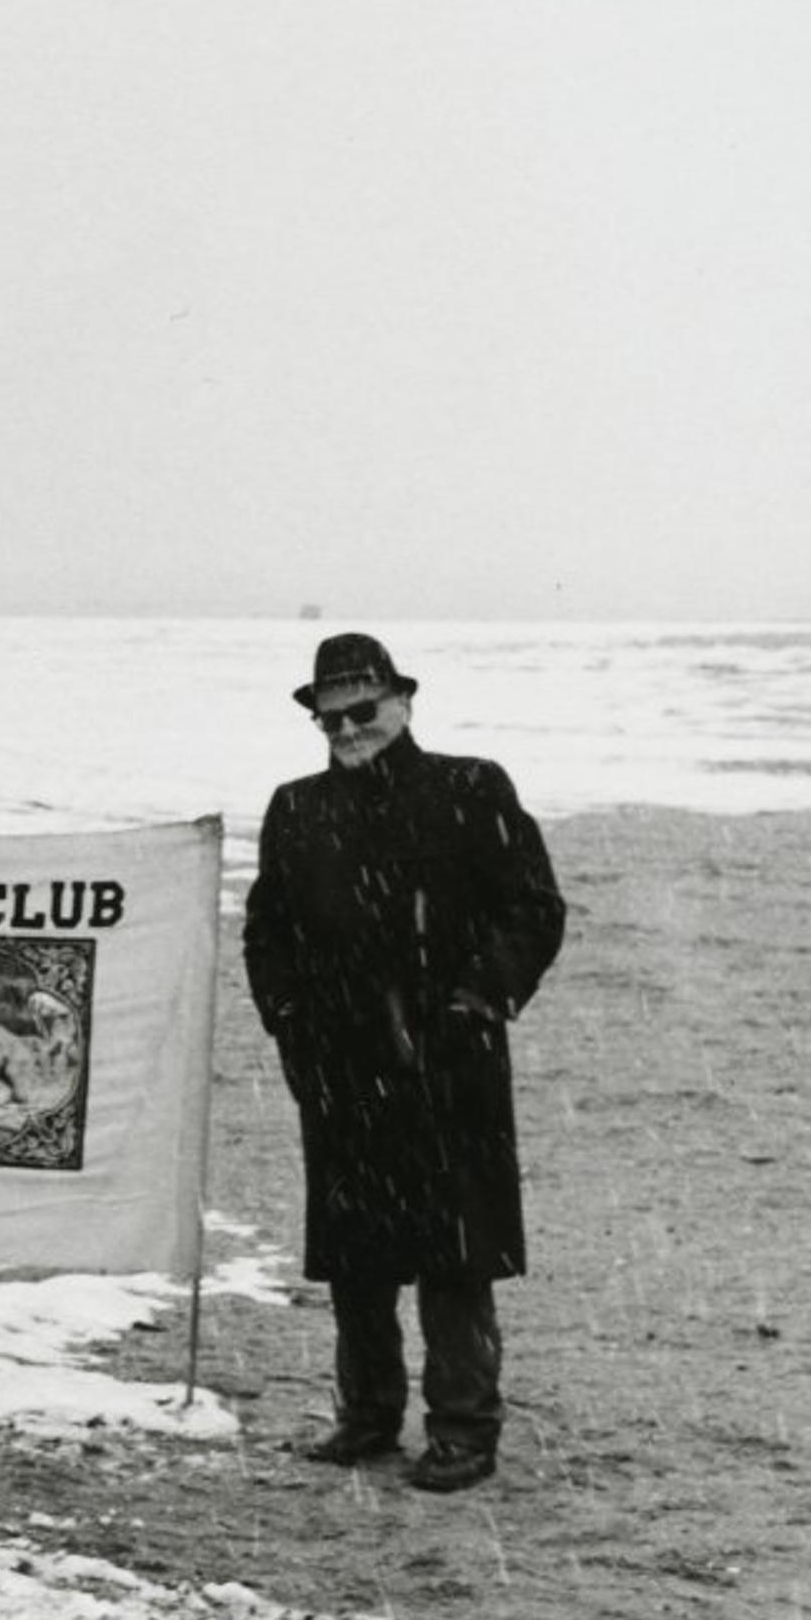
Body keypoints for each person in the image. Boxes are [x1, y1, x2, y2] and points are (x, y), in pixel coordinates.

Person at [242, 633, 567, 1495]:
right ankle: (367, 1414)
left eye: (363, 711)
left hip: (450, 1066)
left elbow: (534, 908)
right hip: (340, 1069)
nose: (347, 729)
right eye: (330, 717)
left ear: (403, 704)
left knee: (456, 1253)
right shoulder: (296, 808)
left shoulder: (471, 787)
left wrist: (477, 999)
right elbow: (266, 931)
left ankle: (464, 1428)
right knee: (357, 1257)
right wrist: (290, 1024)